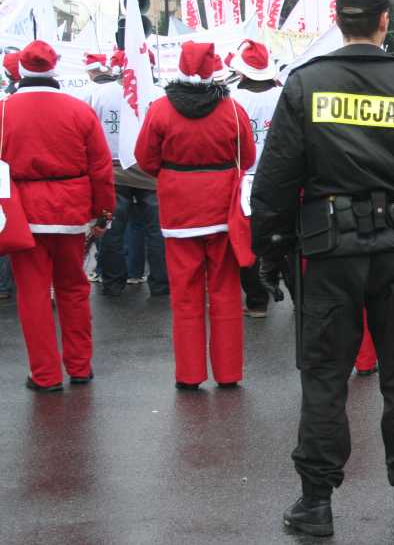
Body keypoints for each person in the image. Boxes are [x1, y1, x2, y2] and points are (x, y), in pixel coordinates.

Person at [250, 0, 394, 536]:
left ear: (339, 20)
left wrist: (269, 251)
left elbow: (276, 180)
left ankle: (316, 502)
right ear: (384, 20)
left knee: (325, 376)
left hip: (327, 253)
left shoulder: (306, 84)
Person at [135, 42, 255, 390]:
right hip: (222, 210)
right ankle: (228, 373)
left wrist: (174, 175)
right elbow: (247, 157)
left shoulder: (160, 109)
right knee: (225, 292)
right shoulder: (232, 109)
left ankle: (189, 374)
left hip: (179, 211)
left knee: (185, 295)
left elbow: (145, 158)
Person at [5, 41, 115, 391]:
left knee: (33, 294)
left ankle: (45, 374)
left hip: (23, 212)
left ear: (21, 71)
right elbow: (101, 168)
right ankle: (80, 367)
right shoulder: (79, 110)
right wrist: (103, 214)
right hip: (71, 210)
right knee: (74, 288)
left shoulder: (4, 111)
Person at [89, 50, 168, 298]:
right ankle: (161, 283)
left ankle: (113, 282)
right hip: (147, 171)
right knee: (156, 230)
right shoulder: (159, 95)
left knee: (111, 229)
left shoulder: (100, 94)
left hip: (113, 172)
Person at [225, 39, 283, 318]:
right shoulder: (283, 94)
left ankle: (257, 301)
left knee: (248, 241)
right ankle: (297, 296)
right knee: (283, 235)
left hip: (243, 179)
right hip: (279, 176)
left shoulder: (231, 99)